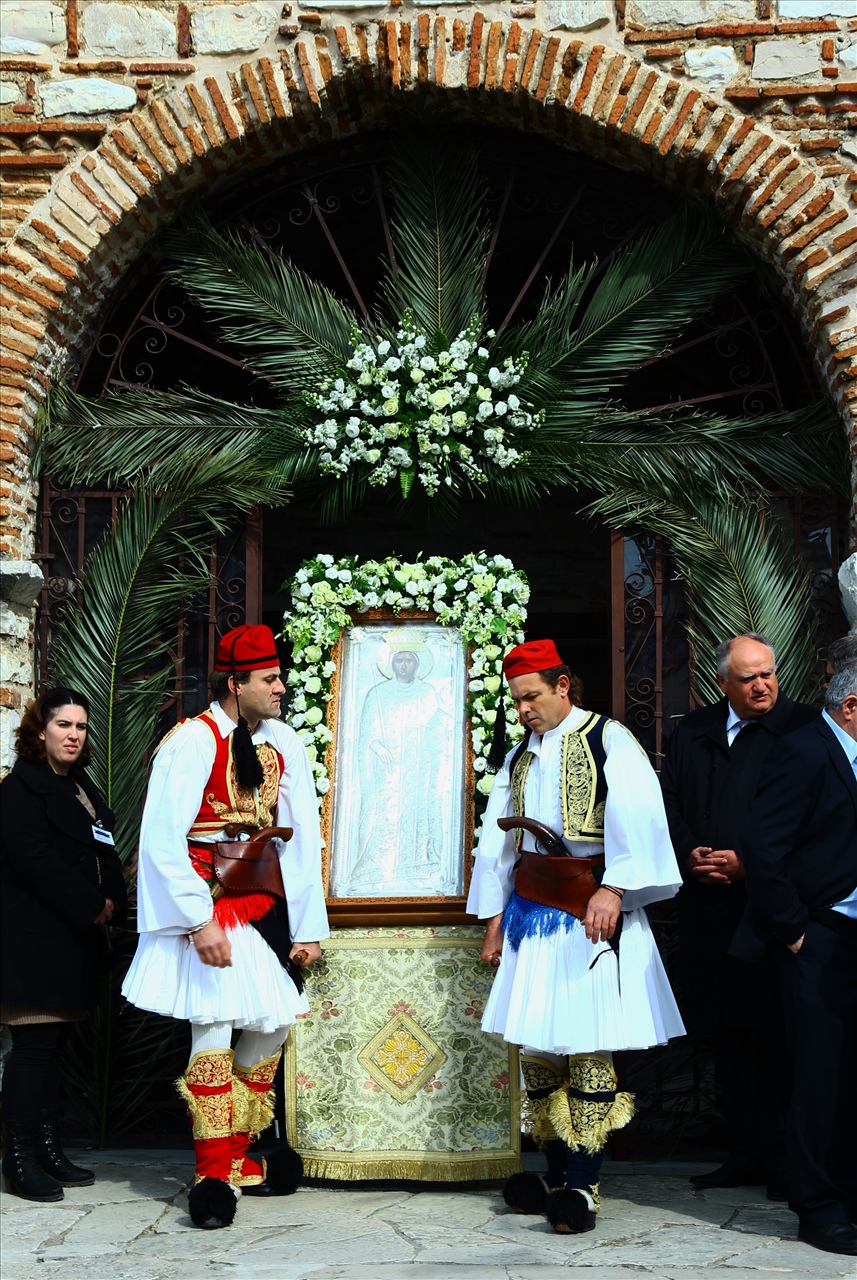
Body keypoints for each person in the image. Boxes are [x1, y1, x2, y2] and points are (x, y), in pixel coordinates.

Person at [467, 639, 685, 1235]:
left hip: (591, 909)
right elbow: (498, 844)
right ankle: (558, 1174)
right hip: (531, 915)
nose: (524, 710)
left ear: (563, 686)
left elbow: (640, 819)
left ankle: (584, 1186)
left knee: (587, 1044)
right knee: (539, 1049)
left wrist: (614, 888)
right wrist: (493, 920)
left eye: (532, 697)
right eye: (517, 701)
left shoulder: (609, 739)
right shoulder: (519, 756)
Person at [122, 624, 329, 1230]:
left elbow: (301, 838)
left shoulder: (284, 742)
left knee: (273, 1024)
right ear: (236, 684)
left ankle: (235, 1156)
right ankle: (213, 1174)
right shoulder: (192, 740)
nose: (281, 687)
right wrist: (196, 921)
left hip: (262, 904)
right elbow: (162, 839)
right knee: (212, 1028)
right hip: (208, 903)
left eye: (280, 677)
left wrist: (308, 926)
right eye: (269, 679)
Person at [660, 633, 817, 1196]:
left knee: (778, 1037)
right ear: (722, 681)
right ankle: (743, 1152)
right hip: (709, 910)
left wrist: (750, 862)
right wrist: (690, 853)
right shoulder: (694, 731)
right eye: (748, 678)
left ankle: (785, 1159)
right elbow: (667, 803)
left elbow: (819, 814)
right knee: (727, 1033)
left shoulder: (805, 729)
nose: (761, 686)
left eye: (768, 674)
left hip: (772, 912)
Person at [730, 665, 857, 1257]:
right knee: (820, 1076)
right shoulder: (805, 751)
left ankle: (849, 1194)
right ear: (852, 705)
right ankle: (819, 1208)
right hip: (820, 937)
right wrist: (795, 931)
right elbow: (762, 845)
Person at [0, 688, 127, 1202]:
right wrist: (90, 902)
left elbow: (101, 847)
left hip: (71, 939)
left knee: (52, 1050)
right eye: (63, 725)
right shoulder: (18, 790)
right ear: (39, 730)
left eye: (81, 726)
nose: (74, 735)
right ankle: (18, 1158)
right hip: (32, 941)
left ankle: (47, 1148)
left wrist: (112, 898)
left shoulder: (78, 786)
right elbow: (35, 861)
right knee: (33, 1049)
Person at [346, 638, 447, 895]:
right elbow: (366, 732)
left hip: (418, 765)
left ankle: (415, 869)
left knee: (417, 814)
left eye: (409, 660)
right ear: (391, 664)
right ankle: (376, 870)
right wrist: (376, 746)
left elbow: (437, 728)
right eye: (399, 660)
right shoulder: (377, 694)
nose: (404, 665)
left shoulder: (427, 692)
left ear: (417, 664)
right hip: (387, 768)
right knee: (386, 813)